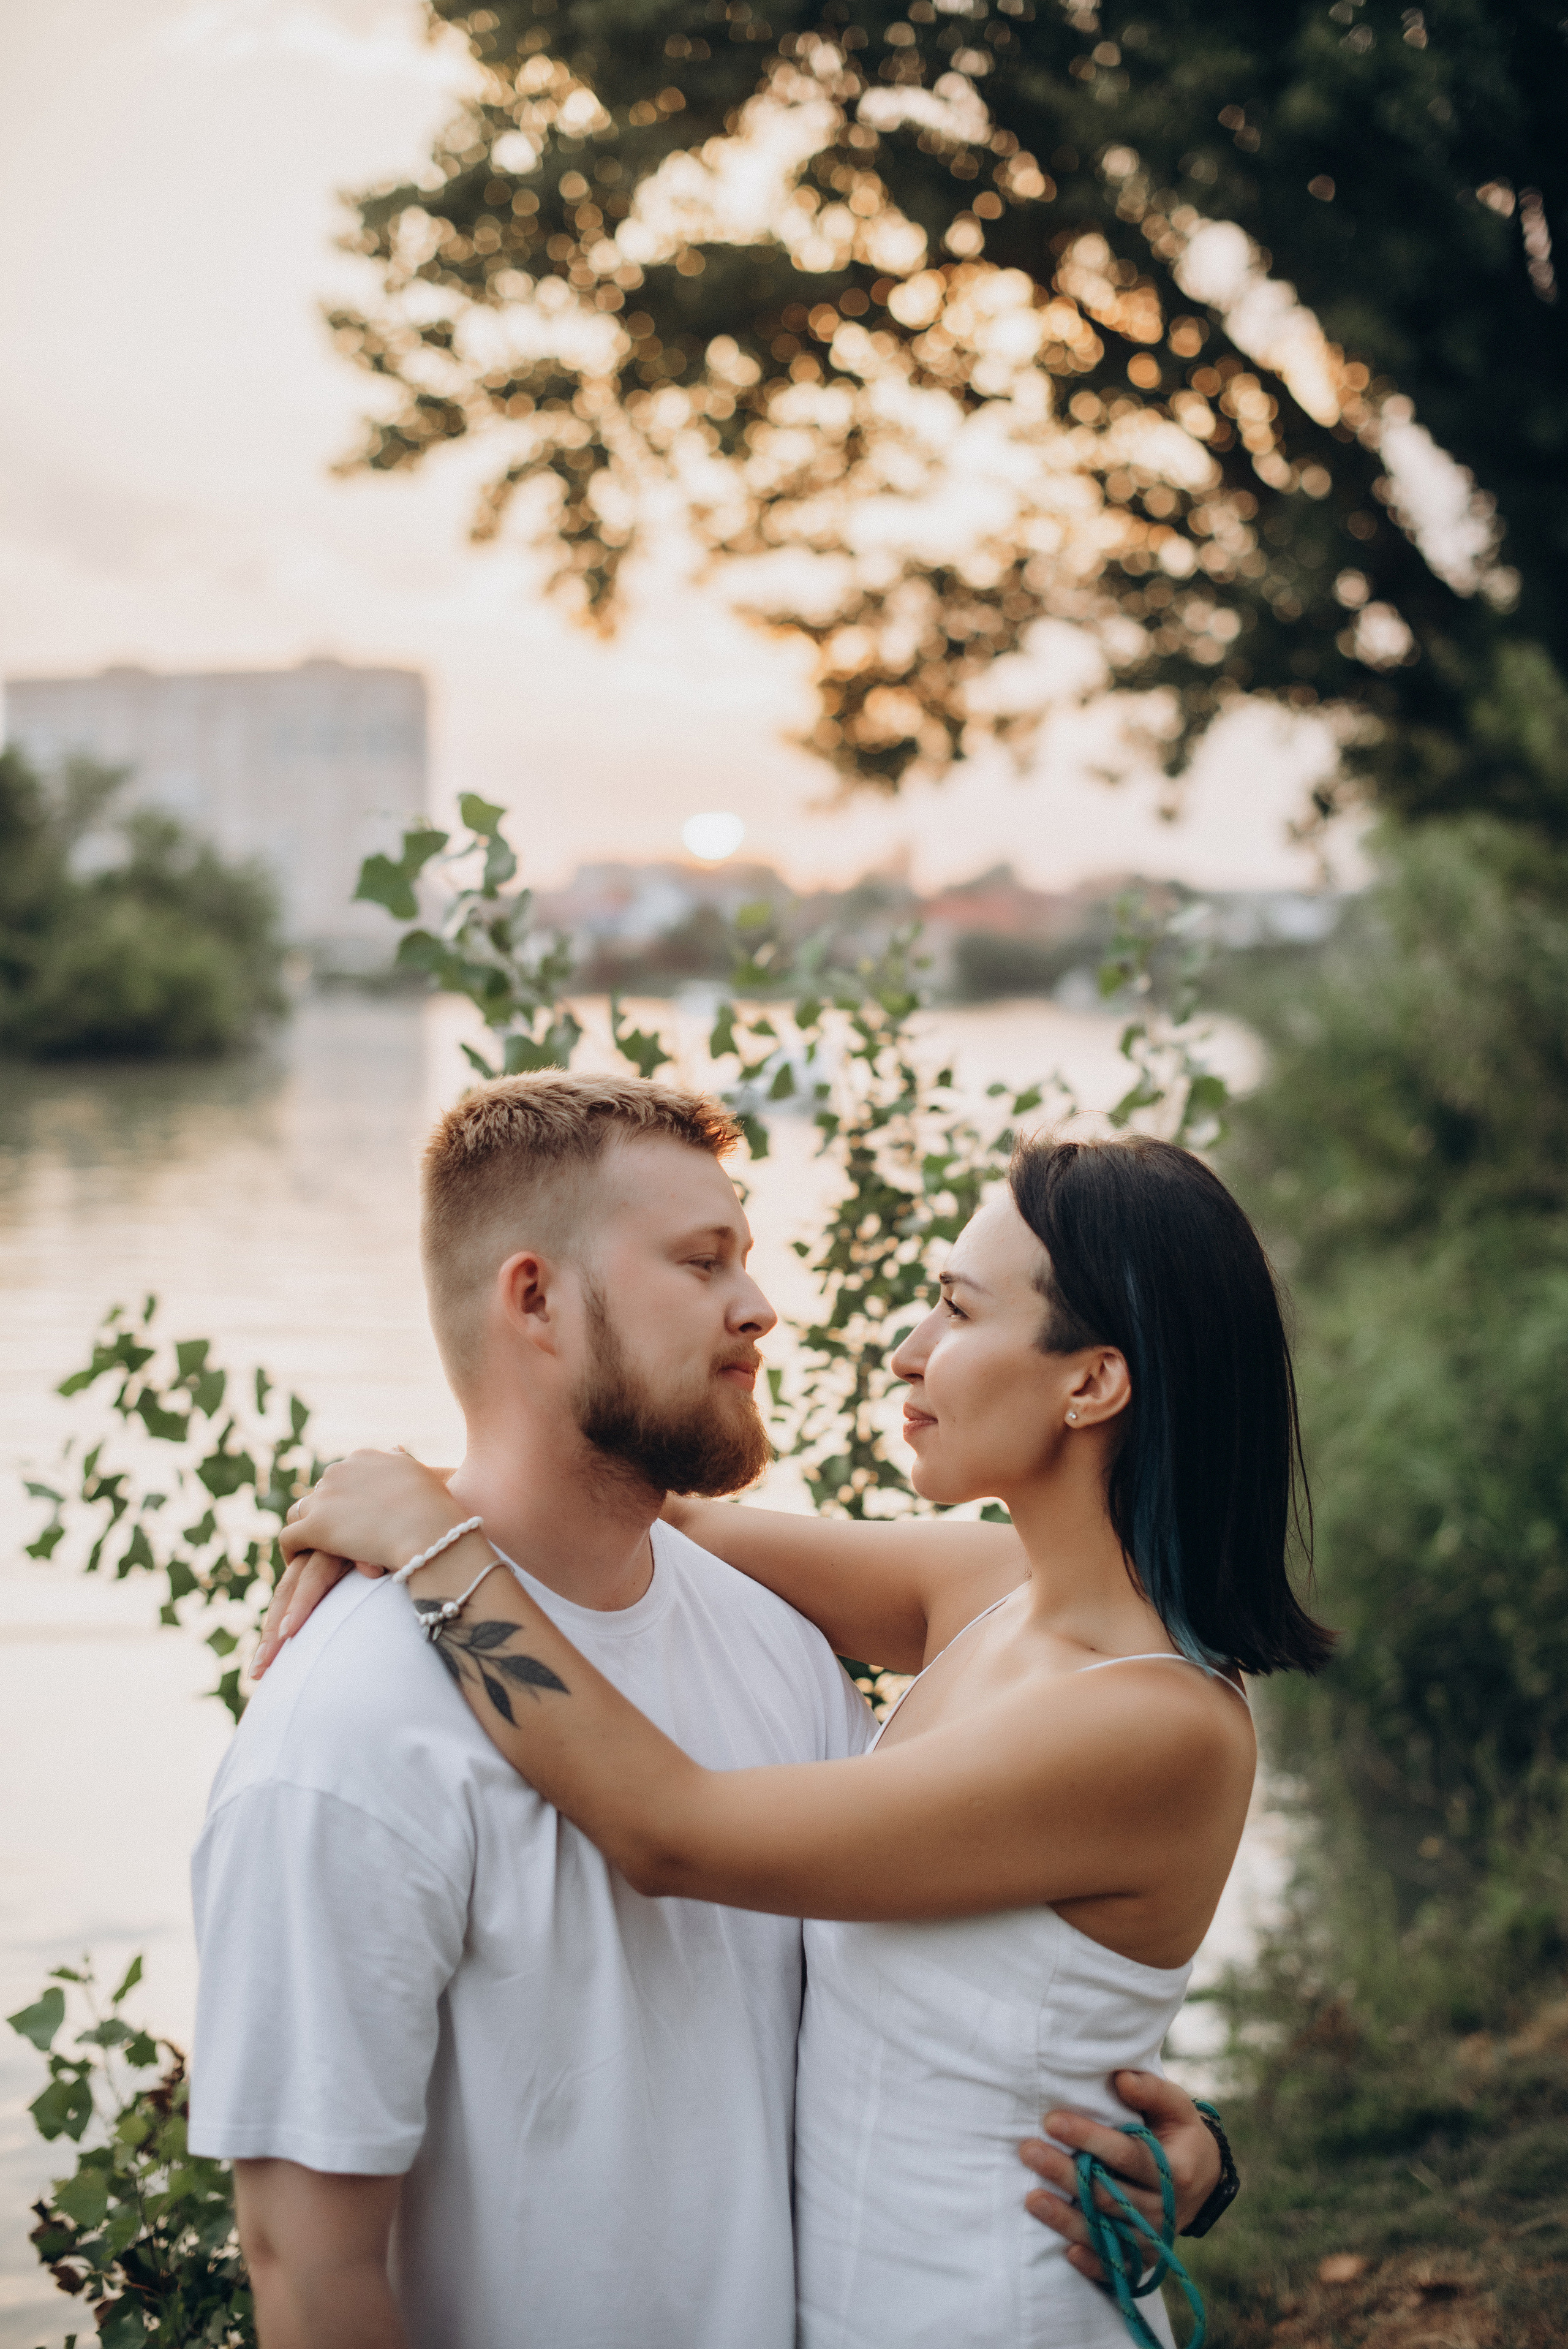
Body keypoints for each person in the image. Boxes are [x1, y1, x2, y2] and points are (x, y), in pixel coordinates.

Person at [274, 1103, 1331, 2347]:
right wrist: (400, 1485)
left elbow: (670, 1829)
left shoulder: (1152, 1724)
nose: (902, 1349)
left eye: (956, 1309)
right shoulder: (983, 1592)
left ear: (1090, 1381)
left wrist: (430, 1547)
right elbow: (638, 1509)